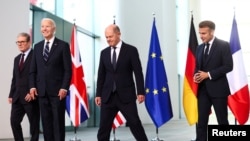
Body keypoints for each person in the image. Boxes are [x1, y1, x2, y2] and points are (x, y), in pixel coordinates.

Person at [95, 24, 148, 141]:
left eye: (110, 36)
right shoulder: (103, 53)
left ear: (118, 34)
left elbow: (138, 72)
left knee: (135, 123)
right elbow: (101, 75)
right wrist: (98, 94)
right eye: (106, 37)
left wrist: (140, 92)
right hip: (108, 96)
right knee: (103, 127)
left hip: (126, 96)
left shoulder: (131, 50)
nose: (108, 39)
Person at [29, 18, 72, 141]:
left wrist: (64, 87)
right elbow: (32, 70)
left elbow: (67, 70)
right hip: (41, 92)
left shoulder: (63, 46)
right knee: (46, 124)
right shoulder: (37, 47)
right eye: (42, 26)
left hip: (58, 92)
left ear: (54, 29)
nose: (44, 29)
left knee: (58, 124)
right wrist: (32, 86)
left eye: (47, 26)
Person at [193, 20, 233, 141]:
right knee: (201, 122)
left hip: (219, 90)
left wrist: (208, 74)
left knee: (222, 121)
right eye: (200, 33)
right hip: (203, 91)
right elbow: (197, 67)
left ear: (212, 32)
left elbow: (228, 66)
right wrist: (196, 75)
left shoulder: (224, 45)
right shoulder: (199, 48)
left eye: (204, 33)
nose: (201, 36)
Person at [8, 32, 40, 141]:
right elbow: (15, 78)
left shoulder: (36, 56)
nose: (20, 44)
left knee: (34, 125)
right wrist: (11, 94)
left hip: (31, 97)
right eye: (18, 42)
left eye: (22, 42)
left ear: (29, 42)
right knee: (14, 122)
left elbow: (39, 77)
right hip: (17, 97)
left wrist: (32, 92)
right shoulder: (16, 59)